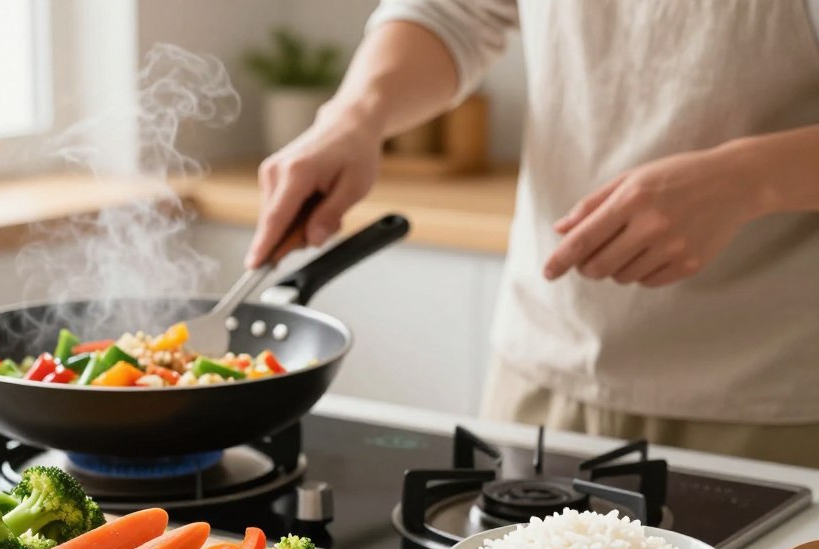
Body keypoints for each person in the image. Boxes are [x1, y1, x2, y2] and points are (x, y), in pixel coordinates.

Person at [245, 1, 819, 469]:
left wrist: (749, 179)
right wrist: (355, 116)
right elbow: (451, 12)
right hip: (540, 367)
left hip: (770, 396)